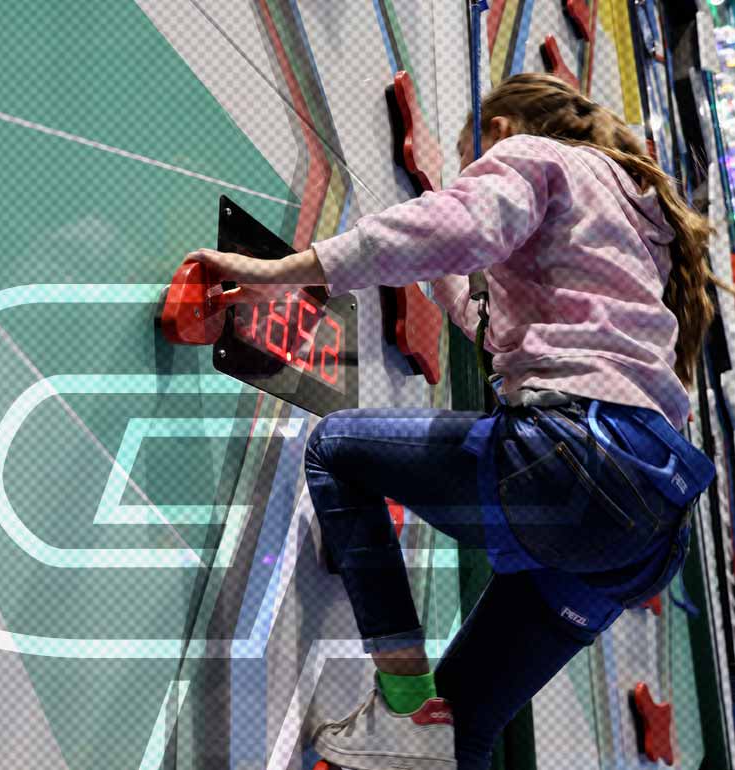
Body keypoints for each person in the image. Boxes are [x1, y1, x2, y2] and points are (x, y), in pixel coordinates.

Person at [182, 73, 724, 770]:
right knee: (461, 730)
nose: (477, 176)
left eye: (476, 160)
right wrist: (443, 265)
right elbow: (496, 319)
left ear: (500, 130)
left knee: (337, 449)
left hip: (576, 461)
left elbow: (457, 228)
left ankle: (402, 699)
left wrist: (289, 271)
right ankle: (418, 731)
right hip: (649, 526)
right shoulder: (631, 224)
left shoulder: (536, 156)